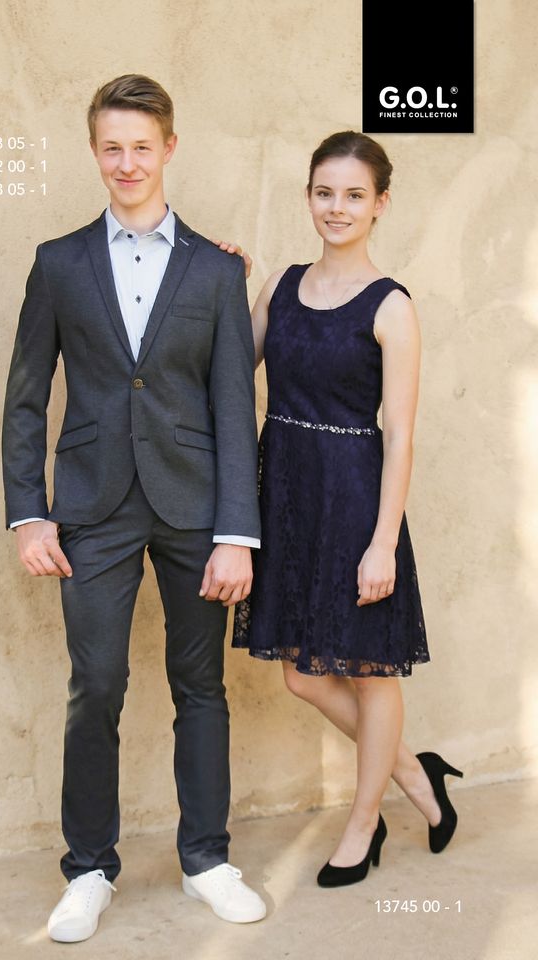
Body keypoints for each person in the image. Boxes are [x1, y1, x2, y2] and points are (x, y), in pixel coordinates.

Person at [2, 74, 267, 942]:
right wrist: (29, 513)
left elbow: (234, 402)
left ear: (169, 149)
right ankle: (88, 870)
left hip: (196, 506)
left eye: (142, 146)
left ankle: (207, 861)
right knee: (97, 684)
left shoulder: (217, 270)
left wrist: (237, 532)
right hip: (92, 506)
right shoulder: (58, 262)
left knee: (201, 685)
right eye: (112, 147)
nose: (127, 162)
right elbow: (26, 398)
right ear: (95, 151)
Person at [233, 131, 463, 887]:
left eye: (355, 195)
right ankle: (417, 774)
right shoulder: (281, 285)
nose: (337, 207)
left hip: (356, 502)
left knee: (368, 670)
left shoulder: (391, 305)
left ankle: (365, 824)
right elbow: (230, 370)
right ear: (308, 197)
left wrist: (383, 542)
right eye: (324, 192)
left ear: (380, 204)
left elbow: (401, 435)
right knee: (304, 674)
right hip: (286, 495)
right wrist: (224, 282)